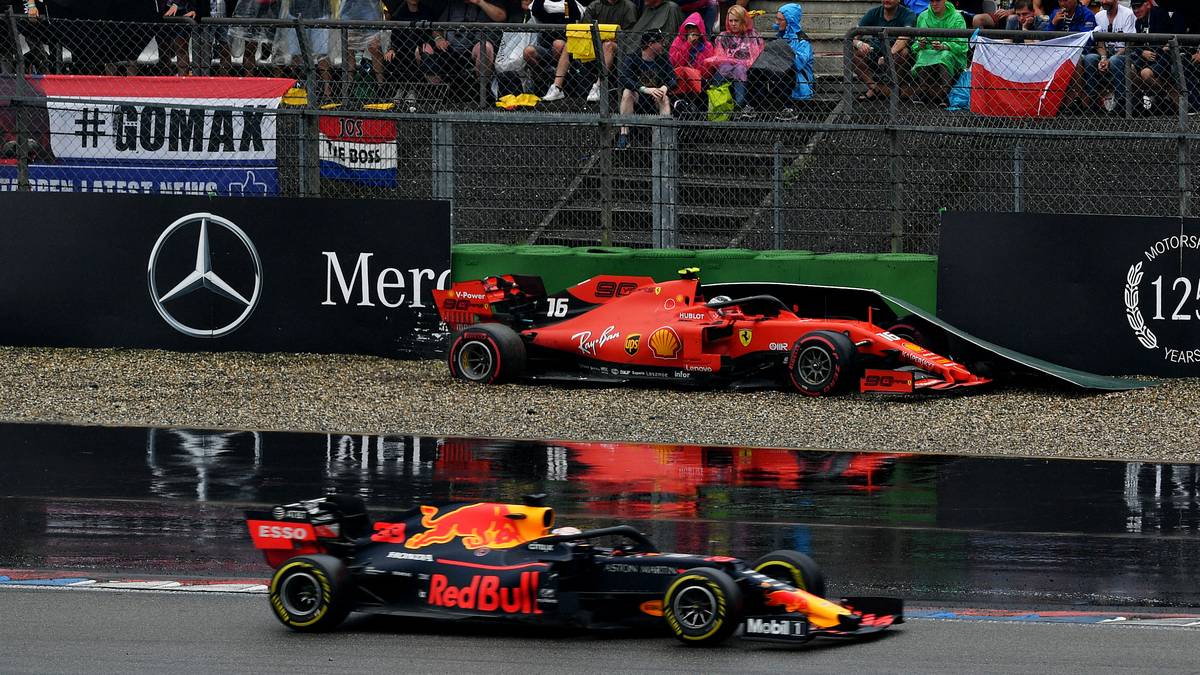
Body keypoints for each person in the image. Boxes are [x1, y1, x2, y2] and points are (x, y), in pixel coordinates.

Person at [542, 0, 636, 102]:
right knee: (570, 44)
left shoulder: (628, 7)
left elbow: (629, 36)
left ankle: (599, 87)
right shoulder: (595, 5)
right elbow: (584, 29)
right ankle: (557, 87)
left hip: (618, 47)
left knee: (608, 45)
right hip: (592, 44)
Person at [426, 0, 506, 88]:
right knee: (426, 49)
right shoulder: (453, 5)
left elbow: (501, 16)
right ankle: (436, 90)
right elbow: (437, 28)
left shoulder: (489, 2)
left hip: (475, 49)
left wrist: (479, 2)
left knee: (485, 48)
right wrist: (439, 38)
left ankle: (482, 89)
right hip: (452, 49)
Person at [616, 28, 674, 148]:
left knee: (665, 98)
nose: (663, 45)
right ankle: (624, 135)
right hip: (639, 95)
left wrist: (664, 87)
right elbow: (623, 78)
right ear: (650, 44)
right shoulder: (633, 58)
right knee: (627, 93)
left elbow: (673, 78)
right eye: (660, 42)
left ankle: (664, 139)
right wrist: (644, 89)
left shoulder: (663, 59)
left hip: (656, 98)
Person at [852, 0, 917, 101]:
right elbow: (852, 36)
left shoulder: (908, 14)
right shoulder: (873, 13)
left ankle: (894, 88)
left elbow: (904, 38)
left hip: (896, 52)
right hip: (876, 51)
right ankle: (875, 88)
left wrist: (888, 56)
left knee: (903, 52)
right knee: (853, 53)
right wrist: (859, 44)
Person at [1081, 0, 1135, 112]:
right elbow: (1099, 42)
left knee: (1115, 60)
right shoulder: (1098, 16)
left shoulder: (1128, 14)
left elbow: (1130, 43)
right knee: (1089, 58)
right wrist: (1103, 58)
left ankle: (1121, 101)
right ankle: (1093, 100)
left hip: (1124, 54)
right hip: (1105, 53)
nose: (1103, 1)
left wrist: (1110, 60)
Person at [910, 0, 967, 104]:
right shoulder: (923, 16)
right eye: (932, 1)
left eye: (938, 1)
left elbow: (962, 45)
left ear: (945, 1)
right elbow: (916, 43)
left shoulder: (957, 17)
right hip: (929, 51)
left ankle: (946, 93)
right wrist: (920, 44)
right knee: (922, 54)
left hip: (951, 53)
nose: (934, 4)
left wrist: (944, 46)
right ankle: (923, 91)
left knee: (944, 56)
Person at [705, 5, 760, 107]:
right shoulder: (723, 36)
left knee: (739, 69)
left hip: (747, 69)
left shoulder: (752, 35)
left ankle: (740, 104)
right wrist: (733, 62)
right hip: (726, 68)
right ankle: (717, 103)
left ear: (743, 20)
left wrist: (738, 63)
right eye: (731, 21)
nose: (733, 24)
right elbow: (719, 56)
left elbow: (755, 56)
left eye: (736, 21)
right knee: (725, 67)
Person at [524, 0, 583, 90]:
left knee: (558, 44)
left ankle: (559, 77)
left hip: (566, 51)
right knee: (528, 51)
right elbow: (536, 11)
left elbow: (576, 16)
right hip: (546, 48)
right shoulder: (545, 8)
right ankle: (543, 77)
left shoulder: (568, 8)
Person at [339, 0, 388, 91]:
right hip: (349, 13)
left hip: (371, 14)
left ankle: (381, 86)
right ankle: (348, 86)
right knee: (348, 50)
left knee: (374, 48)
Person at [669, 12, 714, 101]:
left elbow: (707, 71)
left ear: (700, 29)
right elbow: (674, 63)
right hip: (680, 79)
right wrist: (688, 45)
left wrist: (692, 72)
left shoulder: (707, 46)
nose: (691, 31)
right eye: (689, 28)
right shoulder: (678, 41)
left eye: (694, 27)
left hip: (699, 81)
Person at [774, 3, 813, 102]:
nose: (776, 22)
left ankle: (789, 107)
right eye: (776, 18)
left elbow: (797, 64)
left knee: (786, 71)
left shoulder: (802, 41)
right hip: (780, 78)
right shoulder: (780, 37)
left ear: (790, 21)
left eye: (780, 20)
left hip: (800, 83)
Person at [231, 0, 281, 77]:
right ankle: (249, 79)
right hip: (251, 8)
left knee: (278, 49)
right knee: (250, 48)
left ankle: (278, 82)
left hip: (272, 8)